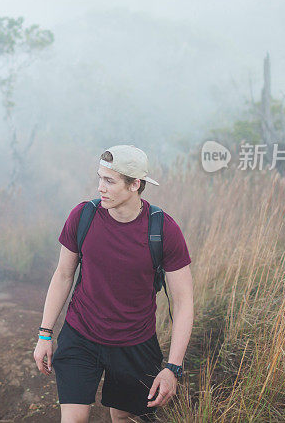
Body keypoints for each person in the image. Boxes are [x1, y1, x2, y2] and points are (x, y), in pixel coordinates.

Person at [33, 145, 194, 423]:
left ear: (135, 184)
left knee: (123, 418)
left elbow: (183, 302)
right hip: (81, 334)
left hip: (135, 343)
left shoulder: (164, 230)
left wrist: (173, 368)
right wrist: (45, 334)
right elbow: (63, 275)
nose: (100, 188)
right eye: (99, 178)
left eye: (109, 181)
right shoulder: (83, 216)